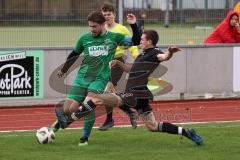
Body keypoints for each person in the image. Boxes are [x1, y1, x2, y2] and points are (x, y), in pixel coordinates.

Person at [56, 30, 204, 146]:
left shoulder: (155, 52)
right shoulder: (143, 54)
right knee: (153, 126)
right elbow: (132, 69)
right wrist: (119, 64)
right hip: (140, 95)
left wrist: (170, 52)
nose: (139, 41)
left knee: (96, 98)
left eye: (142, 39)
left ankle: (67, 120)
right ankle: (187, 132)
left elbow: (164, 57)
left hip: (134, 93)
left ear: (149, 42)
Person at [51, 11, 141, 146]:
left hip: (99, 79)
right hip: (81, 79)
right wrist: (64, 70)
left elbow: (136, 41)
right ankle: (57, 126)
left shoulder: (115, 37)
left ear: (102, 24)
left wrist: (133, 25)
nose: (91, 29)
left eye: (94, 27)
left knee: (88, 105)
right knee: (68, 109)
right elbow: (73, 55)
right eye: (90, 26)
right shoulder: (84, 39)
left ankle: (84, 138)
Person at [98, 3, 139, 131]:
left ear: (114, 15)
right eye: (104, 15)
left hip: (117, 62)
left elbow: (132, 44)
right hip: (104, 63)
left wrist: (136, 56)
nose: (106, 17)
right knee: (110, 95)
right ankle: (130, 112)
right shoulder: (101, 29)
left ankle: (109, 120)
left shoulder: (121, 29)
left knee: (107, 92)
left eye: (109, 14)